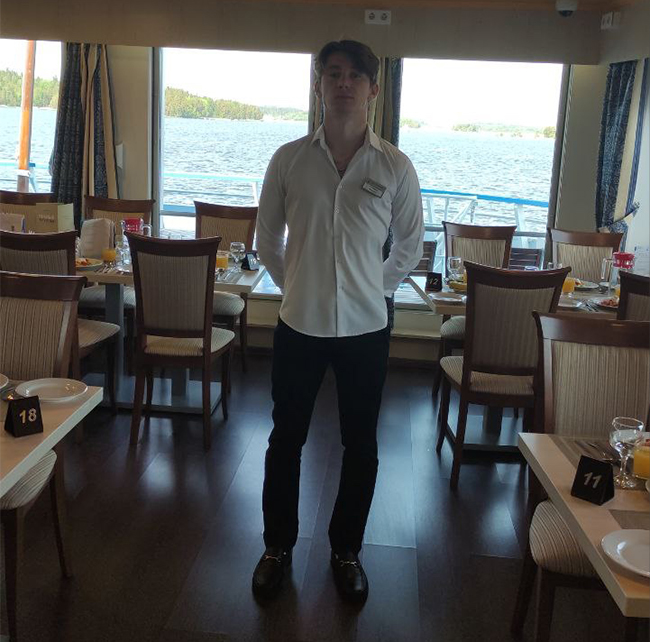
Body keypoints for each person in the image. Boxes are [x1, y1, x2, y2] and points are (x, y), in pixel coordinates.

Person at [252, 40, 424, 603]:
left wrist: (372, 288)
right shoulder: (288, 159)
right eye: (333, 74)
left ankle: (346, 550)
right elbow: (267, 240)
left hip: (365, 331)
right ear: (318, 85)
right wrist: (298, 284)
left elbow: (410, 246)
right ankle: (277, 547)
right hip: (299, 325)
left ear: (373, 89)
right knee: (285, 440)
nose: (343, 83)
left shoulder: (394, 166)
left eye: (355, 76)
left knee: (361, 445)